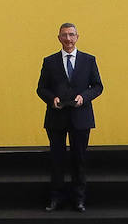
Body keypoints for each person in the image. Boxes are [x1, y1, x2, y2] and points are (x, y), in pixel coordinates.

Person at [36, 22, 103, 212]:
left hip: (81, 117)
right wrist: (52, 98)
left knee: (79, 160)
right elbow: (41, 88)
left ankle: (79, 199)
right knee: (56, 160)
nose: (68, 39)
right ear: (59, 38)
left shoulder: (89, 60)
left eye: (71, 35)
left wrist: (84, 97)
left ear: (77, 37)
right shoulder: (49, 61)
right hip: (56, 118)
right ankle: (55, 198)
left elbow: (98, 86)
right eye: (64, 35)